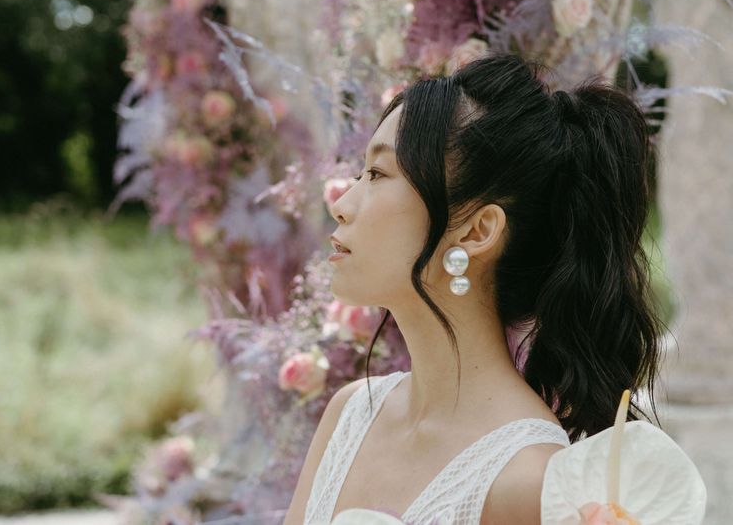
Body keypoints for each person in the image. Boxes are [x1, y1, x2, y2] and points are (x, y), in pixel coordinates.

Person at [283, 53, 665, 525]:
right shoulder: (349, 416)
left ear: (478, 231)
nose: (342, 204)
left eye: (378, 175)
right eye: (362, 173)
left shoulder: (527, 480)